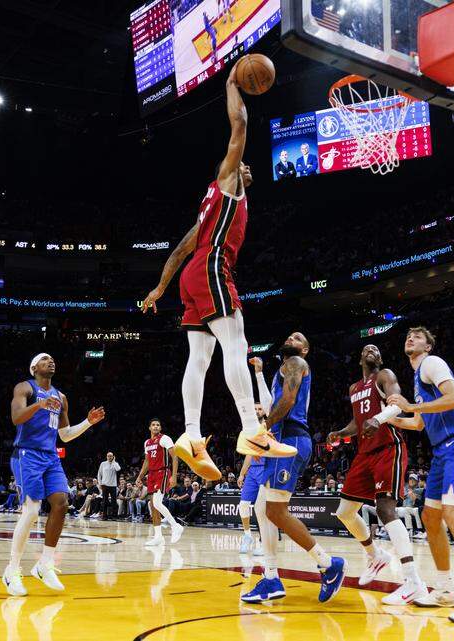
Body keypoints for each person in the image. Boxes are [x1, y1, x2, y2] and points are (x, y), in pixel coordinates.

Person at [141, 60, 294, 484]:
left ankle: (190, 436)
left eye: (245, 168)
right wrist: (231, 83)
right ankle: (251, 430)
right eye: (241, 165)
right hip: (211, 267)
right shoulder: (227, 182)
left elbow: (177, 251)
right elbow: (240, 125)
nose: (245, 168)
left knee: (199, 357)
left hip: (193, 271)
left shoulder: (209, 207)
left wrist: (158, 290)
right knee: (236, 342)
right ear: (228, 171)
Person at [386, 326, 454, 623]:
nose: (411, 337)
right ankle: (446, 590)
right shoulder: (418, 379)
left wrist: (409, 405)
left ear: (428, 346)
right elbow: (419, 423)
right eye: (408, 335)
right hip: (441, 451)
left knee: (451, 515)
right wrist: (389, 420)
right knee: (429, 518)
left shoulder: (432, 364)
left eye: (418, 336)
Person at [242, 332, 346, 605]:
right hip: (282, 439)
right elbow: (274, 404)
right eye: (289, 335)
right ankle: (272, 577)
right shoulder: (284, 368)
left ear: (306, 350)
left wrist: (263, 429)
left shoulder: (296, 363)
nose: (292, 337)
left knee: (275, 510)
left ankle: (328, 564)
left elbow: (287, 402)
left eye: (298, 337)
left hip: (291, 438)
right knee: (262, 509)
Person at [3, 353, 106, 597]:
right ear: (34, 367)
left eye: (52, 359)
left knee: (61, 503)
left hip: (50, 456)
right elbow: (16, 418)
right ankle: (12, 570)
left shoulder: (61, 397)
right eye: (45, 359)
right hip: (26, 454)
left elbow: (65, 435)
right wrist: (38, 404)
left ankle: (44, 563)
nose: (51, 361)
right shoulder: (24, 387)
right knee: (31, 510)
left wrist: (88, 423)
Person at [327, 344, 424, 604]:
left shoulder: (385, 376)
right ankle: (375, 554)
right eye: (366, 349)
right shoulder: (354, 389)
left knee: (385, 510)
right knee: (345, 512)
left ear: (380, 359)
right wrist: (341, 433)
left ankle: (413, 580)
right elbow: (358, 423)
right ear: (360, 358)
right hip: (364, 453)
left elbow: (398, 406)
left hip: (388, 448)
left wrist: (379, 420)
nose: (371, 351)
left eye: (376, 350)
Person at [236, 357, 272, 555]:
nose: (258, 410)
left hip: (266, 469)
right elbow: (249, 454)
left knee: (261, 509)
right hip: (253, 471)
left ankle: (261, 541)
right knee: (243, 505)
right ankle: (248, 535)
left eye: (260, 408)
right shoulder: (250, 428)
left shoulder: (268, 426)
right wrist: (242, 473)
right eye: (255, 408)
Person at [135, 418, 183, 545]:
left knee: (156, 503)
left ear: (160, 428)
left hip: (163, 472)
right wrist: (140, 476)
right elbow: (146, 461)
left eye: (158, 425)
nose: (156, 427)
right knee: (153, 506)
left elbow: (175, 457)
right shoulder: (147, 443)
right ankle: (158, 537)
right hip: (151, 474)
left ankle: (175, 526)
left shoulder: (165, 438)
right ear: (149, 428)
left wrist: (174, 476)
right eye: (153, 425)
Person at [97, 452, 121, 520]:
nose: (109, 457)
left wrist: (114, 462)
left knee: (114, 501)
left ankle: (114, 516)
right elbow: (99, 474)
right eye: (108, 456)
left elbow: (118, 469)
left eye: (111, 456)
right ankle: (104, 516)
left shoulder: (115, 464)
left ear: (113, 457)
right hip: (104, 485)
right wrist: (100, 483)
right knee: (104, 501)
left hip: (113, 485)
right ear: (106, 457)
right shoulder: (103, 463)